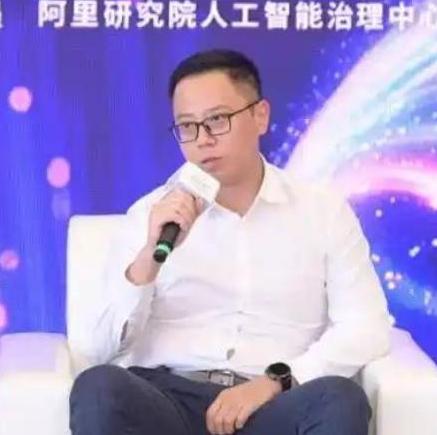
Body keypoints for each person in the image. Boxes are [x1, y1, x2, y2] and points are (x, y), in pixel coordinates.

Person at [69, 49, 391, 435]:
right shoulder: (149, 215)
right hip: (169, 401)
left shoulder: (322, 212)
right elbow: (95, 350)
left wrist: (277, 380)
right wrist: (150, 256)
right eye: (187, 126)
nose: (202, 140)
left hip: (272, 404)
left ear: (260, 116)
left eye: (217, 121)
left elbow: (367, 326)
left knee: (340, 398)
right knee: (99, 387)